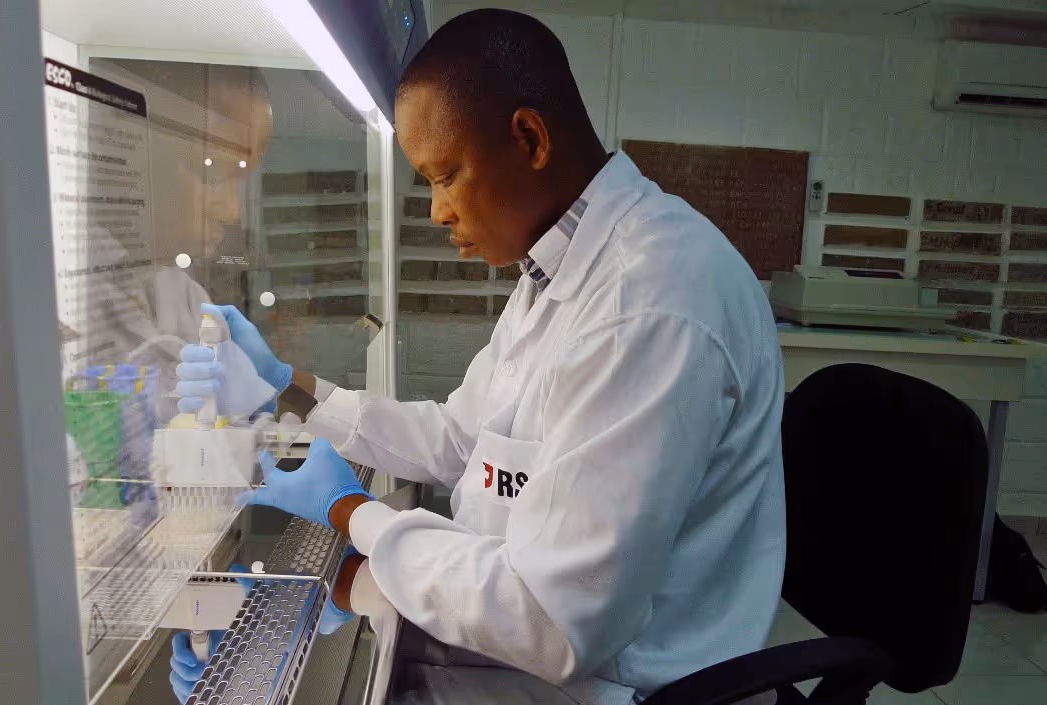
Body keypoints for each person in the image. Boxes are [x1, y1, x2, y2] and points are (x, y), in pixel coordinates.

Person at [177, 9, 785, 704]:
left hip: (614, 683)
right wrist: (291, 388)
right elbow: (464, 438)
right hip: (534, 649)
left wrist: (350, 513)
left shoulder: (647, 303)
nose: (436, 212)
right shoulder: (559, 267)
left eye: (445, 176)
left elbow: (552, 620)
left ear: (529, 138)